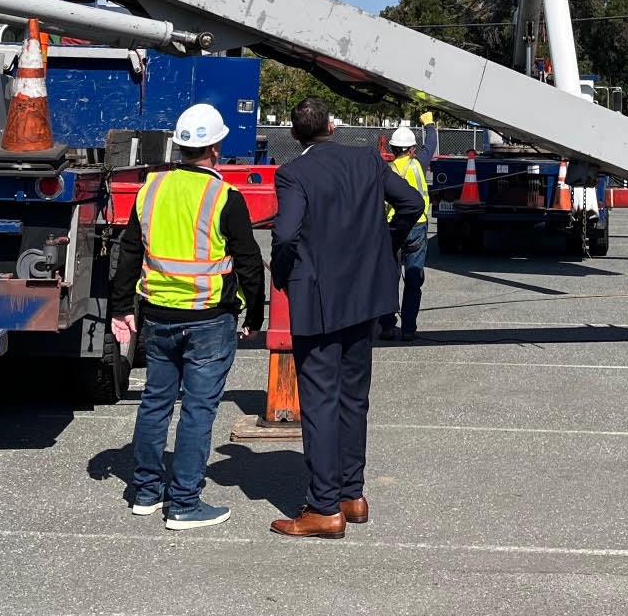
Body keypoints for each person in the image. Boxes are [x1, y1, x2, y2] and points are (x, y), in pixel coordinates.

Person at [269, 96, 424, 539]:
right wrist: (385, 242)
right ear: (332, 128)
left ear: (295, 135)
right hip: (366, 295)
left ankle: (323, 507)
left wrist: (284, 274)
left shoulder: (294, 173)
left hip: (318, 300)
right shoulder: (367, 162)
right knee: (354, 397)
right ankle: (351, 494)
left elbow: (284, 233)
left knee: (319, 400)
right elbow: (411, 203)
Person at [109, 103, 264, 530]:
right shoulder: (224, 197)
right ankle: (184, 503)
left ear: (179, 146)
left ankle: (145, 492)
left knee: (156, 403)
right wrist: (256, 313)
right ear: (215, 147)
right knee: (198, 410)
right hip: (209, 318)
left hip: (157, 314)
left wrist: (121, 306)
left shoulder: (151, 189)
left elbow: (129, 251)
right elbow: (249, 261)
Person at [377, 124, 431, 343]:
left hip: (393, 227)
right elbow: (431, 146)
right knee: (413, 279)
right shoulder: (418, 164)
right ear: (411, 149)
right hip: (417, 227)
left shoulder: (386, 170)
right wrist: (429, 125)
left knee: (389, 279)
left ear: (392, 147)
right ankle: (408, 329)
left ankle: (387, 327)